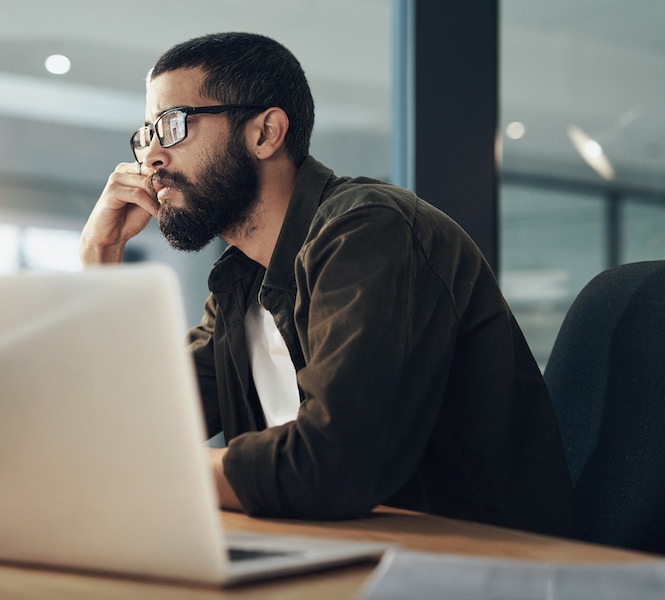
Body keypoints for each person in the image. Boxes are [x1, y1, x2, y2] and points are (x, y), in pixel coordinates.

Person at [78, 32, 579, 538]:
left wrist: (163, 473)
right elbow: (129, 421)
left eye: (171, 125)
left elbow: (332, 463)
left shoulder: (370, 231)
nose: (152, 158)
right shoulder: (241, 282)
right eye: (145, 135)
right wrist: (99, 257)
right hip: (339, 553)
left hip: (474, 568)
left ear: (265, 133)